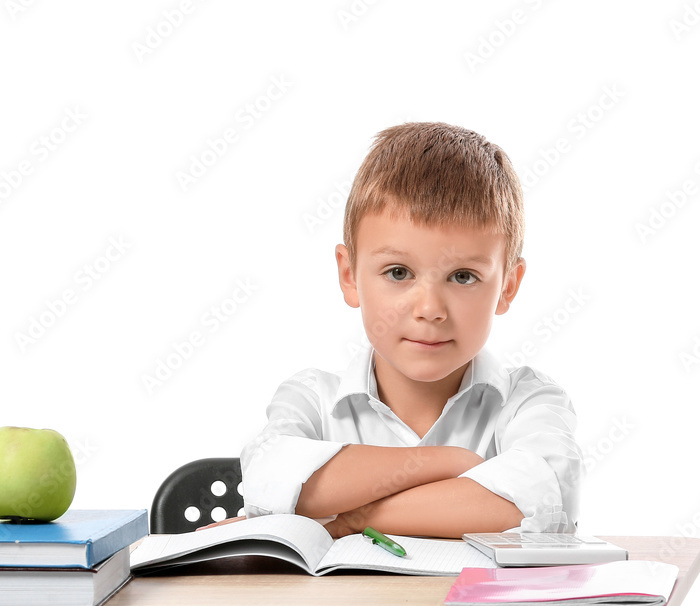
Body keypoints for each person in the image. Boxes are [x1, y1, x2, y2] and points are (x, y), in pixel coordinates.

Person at [239, 122, 581, 539]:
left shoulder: (529, 401)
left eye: (463, 276)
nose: (430, 309)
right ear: (350, 276)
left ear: (507, 286)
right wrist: (449, 462)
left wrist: (349, 519)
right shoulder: (311, 399)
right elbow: (269, 480)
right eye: (399, 272)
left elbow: (539, 502)